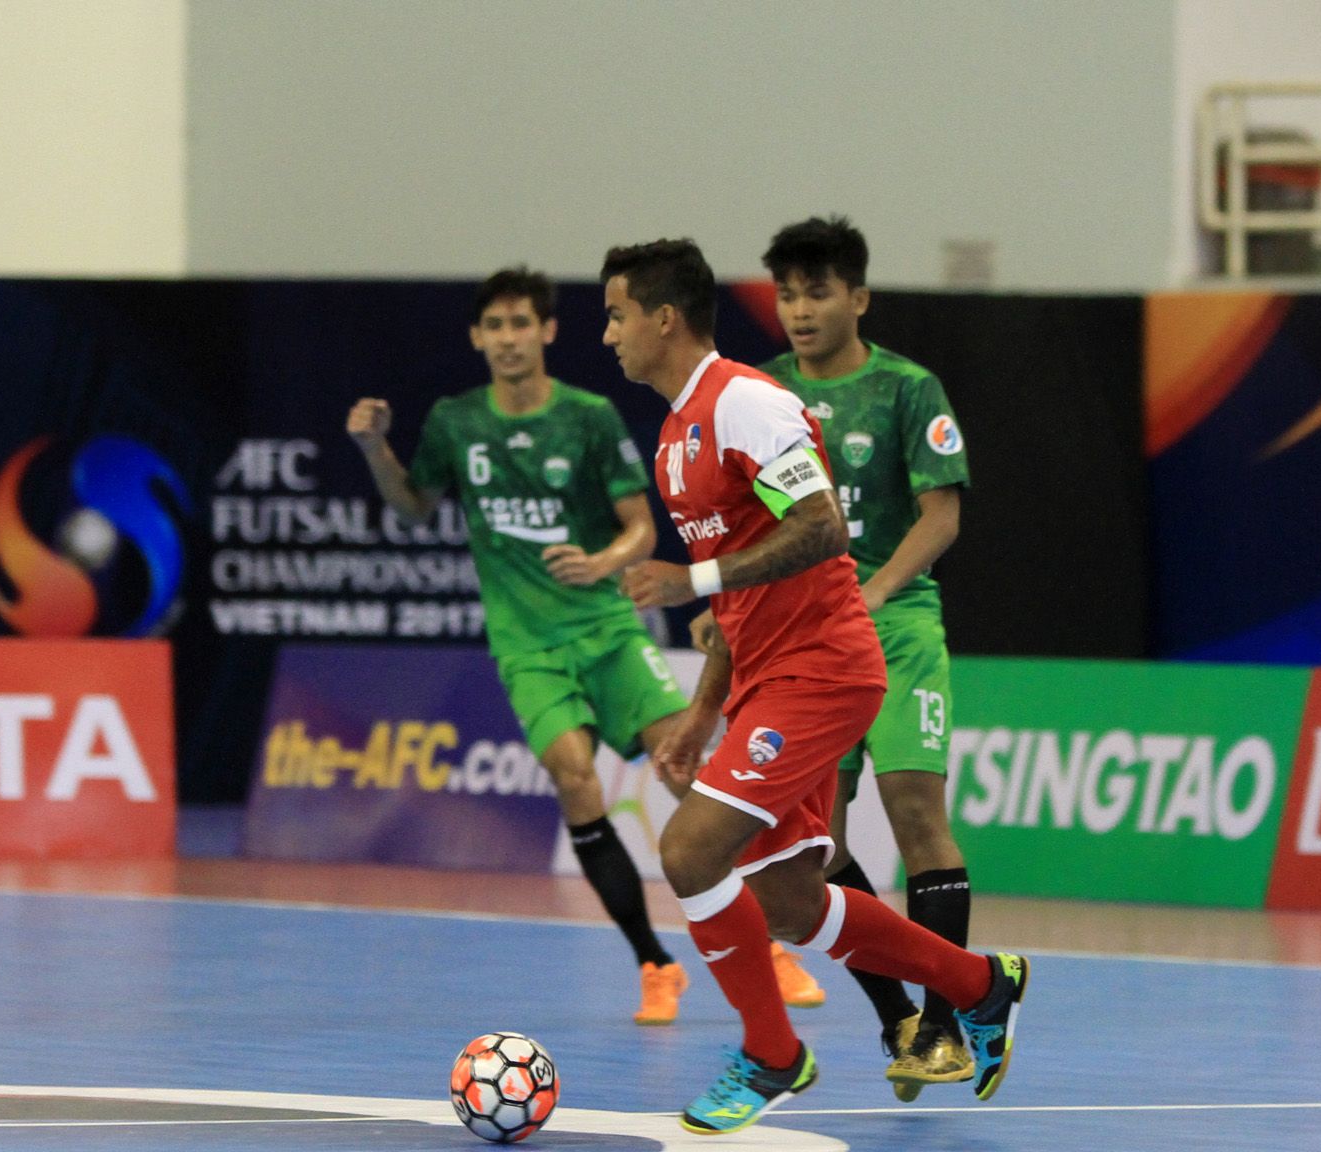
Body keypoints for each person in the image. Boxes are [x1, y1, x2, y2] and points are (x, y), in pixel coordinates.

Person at [603, 238, 1026, 1134]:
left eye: (616, 315)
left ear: (664, 318)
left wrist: (691, 583)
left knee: (687, 853)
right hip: (764, 677)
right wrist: (704, 709)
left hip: (826, 668)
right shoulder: (678, 434)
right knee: (789, 901)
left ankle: (772, 1054)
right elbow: (742, 590)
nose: (610, 336)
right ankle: (981, 985)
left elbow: (826, 526)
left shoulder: (746, 402)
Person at [345, 266, 826, 1026]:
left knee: (684, 766)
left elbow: (639, 525)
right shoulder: (455, 421)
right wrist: (376, 449)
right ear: (477, 338)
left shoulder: (590, 416)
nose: (507, 339)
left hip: (605, 628)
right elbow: (412, 508)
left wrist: (604, 561)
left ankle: (769, 941)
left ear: (546, 332)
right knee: (574, 777)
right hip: (526, 643)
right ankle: (655, 963)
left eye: (521, 324)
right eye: (493, 327)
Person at [750, 214, 978, 1099]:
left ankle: (951, 1019)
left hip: (897, 625)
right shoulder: (763, 396)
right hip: (804, 638)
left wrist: (875, 590)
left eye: (817, 292)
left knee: (917, 816)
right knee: (812, 851)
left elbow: (942, 515)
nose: (800, 310)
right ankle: (900, 1019)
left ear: (859, 297)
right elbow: (763, 522)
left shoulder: (906, 389)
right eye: (787, 294)